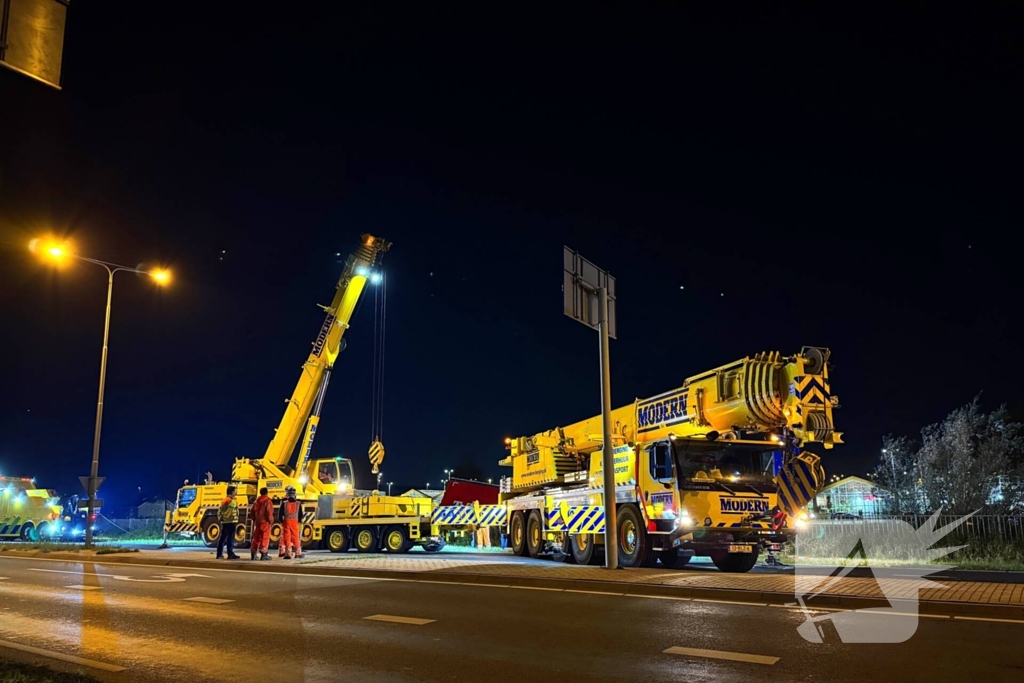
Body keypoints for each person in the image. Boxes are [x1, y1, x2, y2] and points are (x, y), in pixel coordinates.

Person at [278, 486, 303, 559]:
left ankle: (288, 554)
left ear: (287, 495)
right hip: (295, 523)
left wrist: (282, 522)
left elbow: (280, 514)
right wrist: (299, 521)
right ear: (295, 495)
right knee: (296, 537)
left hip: (286, 523)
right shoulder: (298, 504)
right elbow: (300, 515)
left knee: (287, 538)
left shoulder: (284, 503)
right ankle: (298, 553)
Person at [216, 486, 241, 560]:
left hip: (224, 521)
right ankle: (230, 554)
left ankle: (219, 554)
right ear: (232, 492)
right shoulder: (232, 501)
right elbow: (232, 511)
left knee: (222, 538)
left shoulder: (224, 500)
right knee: (230, 538)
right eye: (235, 491)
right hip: (231, 521)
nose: (236, 492)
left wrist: (222, 517)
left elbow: (220, 510)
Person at [250, 487, 274, 561]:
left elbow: (252, 513)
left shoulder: (256, 502)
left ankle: (253, 553)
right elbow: (269, 512)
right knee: (265, 537)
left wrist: (254, 519)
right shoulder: (268, 501)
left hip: (257, 522)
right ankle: (264, 554)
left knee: (256, 538)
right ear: (267, 493)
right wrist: (271, 521)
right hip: (265, 522)